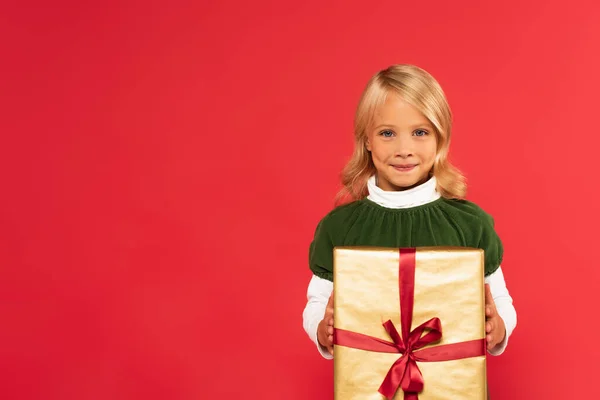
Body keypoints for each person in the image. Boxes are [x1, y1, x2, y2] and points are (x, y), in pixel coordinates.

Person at [302, 64, 517, 388]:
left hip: (451, 389)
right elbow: (317, 302)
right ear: (367, 140)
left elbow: (500, 299)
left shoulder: (469, 225)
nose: (404, 149)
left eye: (420, 132)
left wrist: (498, 328)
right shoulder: (341, 227)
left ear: (440, 138)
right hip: (368, 388)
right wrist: (322, 328)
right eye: (388, 133)